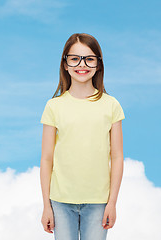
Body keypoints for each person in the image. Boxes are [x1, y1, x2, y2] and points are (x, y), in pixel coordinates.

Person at [39, 33, 125, 240]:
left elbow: (117, 157)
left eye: (89, 58)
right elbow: (46, 158)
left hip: (98, 202)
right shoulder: (54, 106)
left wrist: (112, 203)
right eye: (75, 58)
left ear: (98, 64)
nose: (82, 64)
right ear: (66, 64)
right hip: (60, 201)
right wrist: (46, 206)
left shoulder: (111, 105)